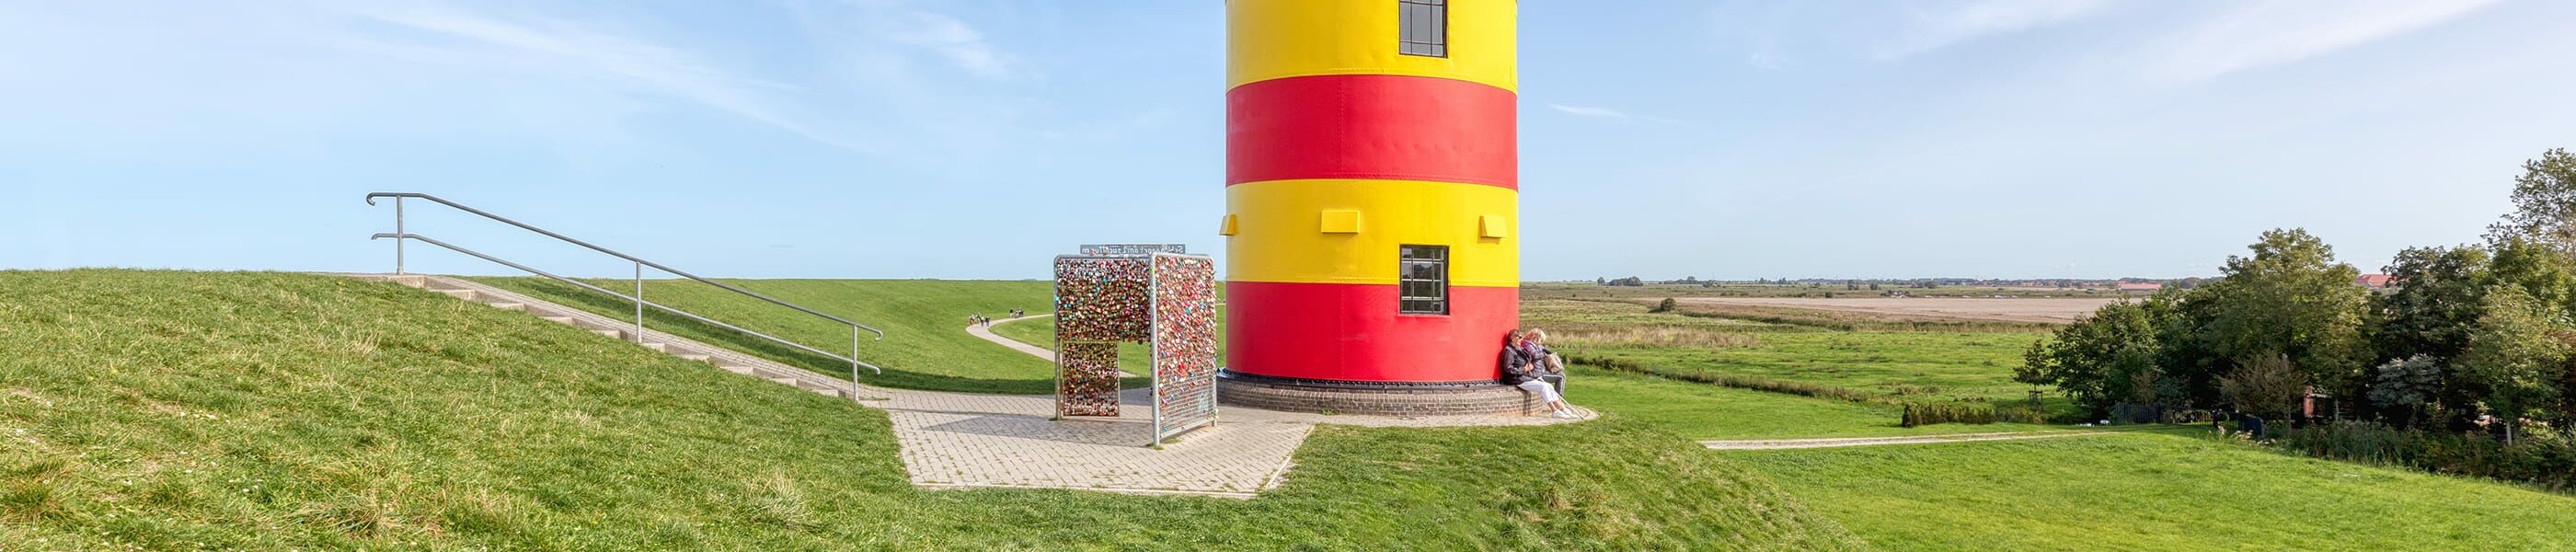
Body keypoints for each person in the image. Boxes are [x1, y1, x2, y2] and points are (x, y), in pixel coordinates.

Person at [1501, 329, 1577, 419]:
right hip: (1517, 379)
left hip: (1525, 376)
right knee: (1543, 387)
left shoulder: (1519, 348)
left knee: (1549, 386)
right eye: (1520, 337)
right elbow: (1507, 369)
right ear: (1513, 338)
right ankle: (1555, 412)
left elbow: (1530, 358)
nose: (1522, 339)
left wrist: (1530, 366)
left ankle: (1562, 409)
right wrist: (1524, 369)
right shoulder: (1509, 351)